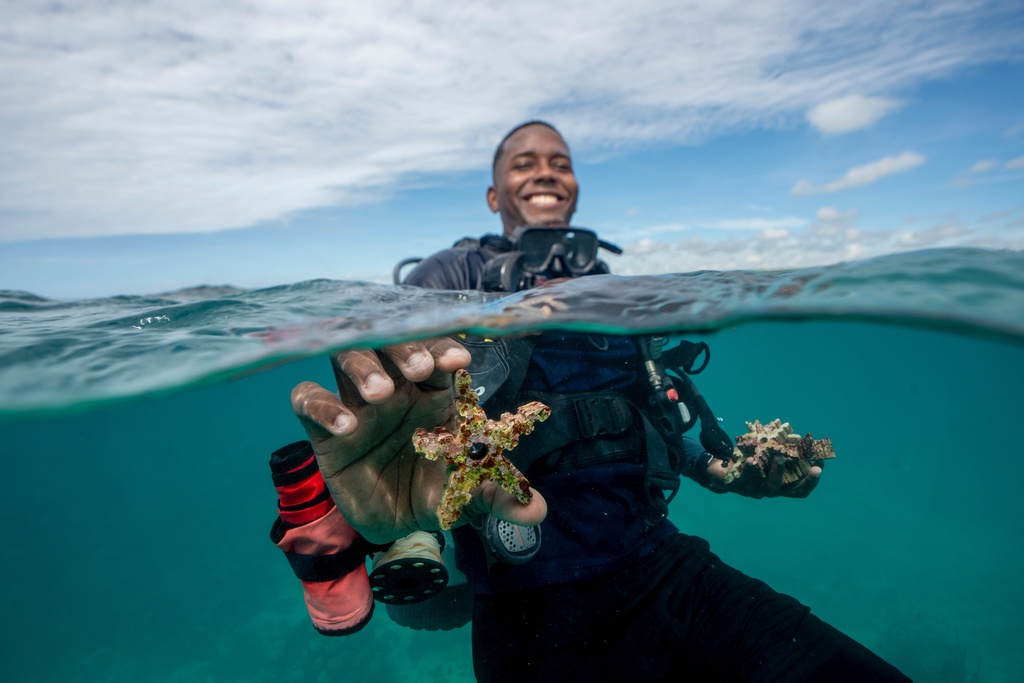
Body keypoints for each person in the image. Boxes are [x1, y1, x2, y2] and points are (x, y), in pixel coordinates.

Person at [278, 121, 909, 681]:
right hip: (527, 611)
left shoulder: (613, 291)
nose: (545, 170)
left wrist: (730, 471)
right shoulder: (451, 275)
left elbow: (647, 415)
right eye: (523, 162)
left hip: (665, 567)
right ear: (495, 197)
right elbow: (399, 379)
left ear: (575, 186)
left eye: (560, 161)